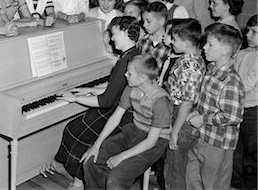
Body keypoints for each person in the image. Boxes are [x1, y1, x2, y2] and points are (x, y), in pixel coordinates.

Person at [46, 16, 141, 189]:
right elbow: (114, 87)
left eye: (114, 34)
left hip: (121, 115)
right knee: (76, 127)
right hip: (120, 108)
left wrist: (75, 98)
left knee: (74, 130)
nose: (111, 39)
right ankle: (74, 175)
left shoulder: (125, 61)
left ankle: (78, 179)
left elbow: (106, 101)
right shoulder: (133, 54)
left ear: (126, 32)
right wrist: (87, 90)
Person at [82, 55, 173, 190]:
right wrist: (96, 145)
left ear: (142, 78)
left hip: (155, 142)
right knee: (90, 161)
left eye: (129, 73)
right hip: (134, 132)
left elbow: (151, 142)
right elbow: (115, 118)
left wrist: (121, 156)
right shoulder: (131, 88)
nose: (125, 75)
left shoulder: (161, 101)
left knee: (116, 178)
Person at [186, 23, 244, 190]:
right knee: (192, 179)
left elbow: (233, 116)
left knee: (214, 185)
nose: (204, 47)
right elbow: (208, 102)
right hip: (202, 136)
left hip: (218, 144)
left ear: (225, 50)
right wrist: (197, 112)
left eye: (210, 44)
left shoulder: (230, 81)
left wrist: (202, 118)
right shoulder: (211, 69)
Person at [164, 19, 206, 190]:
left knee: (175, 169)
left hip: (183, 121)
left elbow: (187, 103)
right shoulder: (188, 59)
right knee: (174, 167)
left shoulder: (191, 66)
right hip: (179, 114)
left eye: (175, 39)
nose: (172, 42)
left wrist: (175, 131)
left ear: (187, 41)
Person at [232, 15, 257, 189]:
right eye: (248, 30)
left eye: (254, 32)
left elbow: (247, 84)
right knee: (235, 153)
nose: (248, 34)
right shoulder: (242, 53)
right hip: (237, 107)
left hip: (253, 112)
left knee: (252, 157)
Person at [139, 2, 171, 69]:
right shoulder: (143, 40)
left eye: (148, 21)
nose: (144, 25)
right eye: (143, 21)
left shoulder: (169, 45)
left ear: (162, 21)